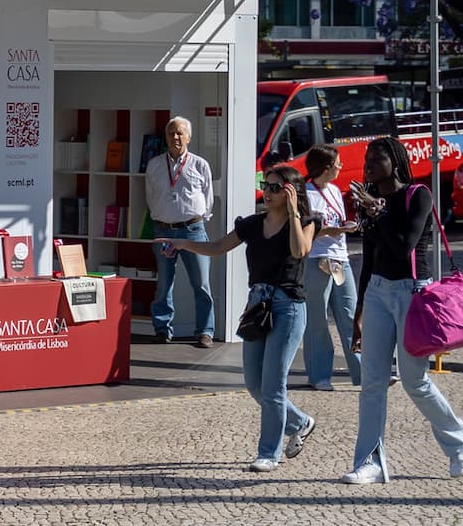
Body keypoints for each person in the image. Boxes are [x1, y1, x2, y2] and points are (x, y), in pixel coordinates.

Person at [158, 163, 316, 473]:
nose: (266, 193)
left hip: (289, 306)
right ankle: (300, 422)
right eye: (265, 185)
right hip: (257, 303)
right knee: (254, 384)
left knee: (273, 386)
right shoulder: (252, 224)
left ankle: (268, 453)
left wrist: (296, 211)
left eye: (274, 188)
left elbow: (299, 251)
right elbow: (218, 247)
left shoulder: (307, 222)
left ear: (290, 192)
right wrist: (182, 244)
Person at [342, 137, 463, 484]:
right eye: (367, 158)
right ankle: (370, 462)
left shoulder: (419, 196)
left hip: (413, 294)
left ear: (396, 161)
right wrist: (359, 311)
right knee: (372, 383)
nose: (369, 163)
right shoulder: (371, 204)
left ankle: (458, 438)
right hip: (378, 294)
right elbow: (370, 259)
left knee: (415, 380)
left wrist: (379, 212)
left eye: (377, 157)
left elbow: (404, 247)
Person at [144, 116, 217, 348]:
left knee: (202, 284)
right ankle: (162, 329)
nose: (175, 137)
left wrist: (196, 218)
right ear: (165, 137)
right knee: (164, 283)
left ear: (189, 137)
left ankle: (205, 331)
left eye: (180, 133)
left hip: (193, 230)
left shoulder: (200, 165)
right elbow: (150, 196)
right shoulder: (154, 164)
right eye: (171, 133)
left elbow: (208, 198)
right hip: (164, 231)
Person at [301, 144, 362, 390]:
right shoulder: (305, 193)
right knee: (317, 321)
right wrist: (332, 231)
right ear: (326, 168)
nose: (340, 166)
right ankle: (319, 376)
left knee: (351, 317)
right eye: (337, 163)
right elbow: (304, 231)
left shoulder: (336, 190)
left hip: (340, 259)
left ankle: (363, 373)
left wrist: (345, 226)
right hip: (316, 260)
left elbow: (335, 219)